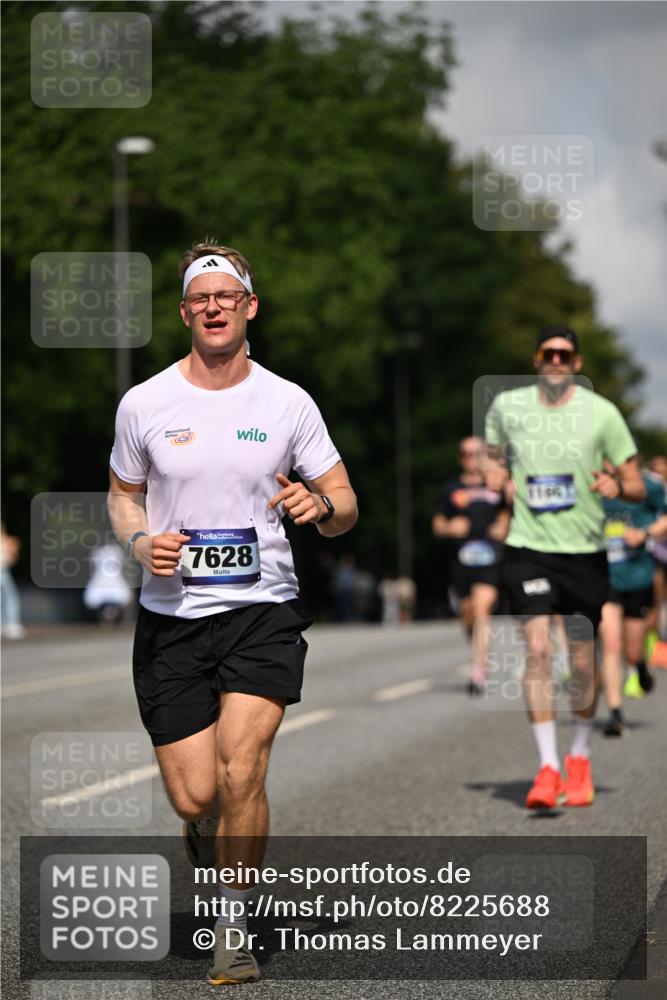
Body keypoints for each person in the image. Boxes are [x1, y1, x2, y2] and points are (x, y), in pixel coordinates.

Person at [107, 242, 358, 985]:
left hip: (262, 609)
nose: (213, 307)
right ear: (185, 312)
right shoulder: (145, 402)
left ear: (250, 307)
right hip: (172, 616)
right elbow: (122, 494)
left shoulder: (287, 402)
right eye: (199, 299)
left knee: (242, 766)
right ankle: (203, 827)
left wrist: (320, 506)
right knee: (198, 792)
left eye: (227, 296)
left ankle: (233, 927)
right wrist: (141, 540)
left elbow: (344, 503)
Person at [484, 324, 644, 809]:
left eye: (565, 355)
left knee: (580, 663)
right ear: (537, 360)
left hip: (585, 553)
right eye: (547, 353)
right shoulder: (507, 408)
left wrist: (618, 488)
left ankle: (579, 755)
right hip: (528, 547)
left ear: (576, 363)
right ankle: (548, 767)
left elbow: (635, 482)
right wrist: (500, 480)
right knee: (536, 648)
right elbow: (492, 461)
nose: (555, 360)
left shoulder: (603, 414)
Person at [433, 436, 510, 694]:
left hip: (490, 559)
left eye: (476, 453)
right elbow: (438, 524)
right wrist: (450, 528)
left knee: (481, 610)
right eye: (465, 454)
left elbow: (509, 513)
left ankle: (478, 670)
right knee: (468, 615)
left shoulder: (496, 485)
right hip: (461, 562)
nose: (471, 458)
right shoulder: (451, 489)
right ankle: (480, 653)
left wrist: (503, 526)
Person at [599, 461, 667, 733]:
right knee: (611, 642)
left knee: (632, 649)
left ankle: (639, 665)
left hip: (638, 575)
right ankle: (615, 713)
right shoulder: (593, 489)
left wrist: (645, 533)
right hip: (605, 577)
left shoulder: (647, 486)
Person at [1, 524, 25, 640]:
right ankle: (9, 624)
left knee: (9, 597)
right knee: (9, 597)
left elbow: (13, 557)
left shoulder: (7, 541)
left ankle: (10, 624)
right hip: (3, 572)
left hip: (3, 571)